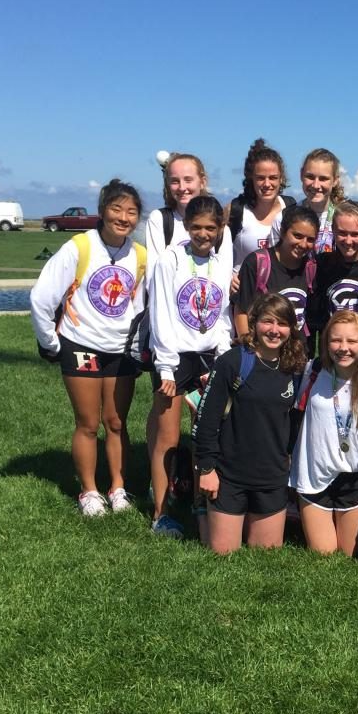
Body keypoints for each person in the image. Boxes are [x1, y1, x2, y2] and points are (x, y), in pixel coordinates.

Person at [29, 179, 148, 517]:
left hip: (121, 350)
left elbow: (139, 305)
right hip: (81, 345)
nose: (123, 218)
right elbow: (41, 297)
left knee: (116, 422)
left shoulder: (139, 255)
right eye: (116, 209)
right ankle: (89, 491)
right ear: (102, 211)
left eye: (131, 212)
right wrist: (51, 343)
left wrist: (138, 348)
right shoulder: (79, 247)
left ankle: (118, 487)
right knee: (88, 423)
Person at [145, 194, 234, 538]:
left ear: (220, 228)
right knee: (168, 438)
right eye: (196, 227)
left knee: (205, 435)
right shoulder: (170, 260)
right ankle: (160, 513)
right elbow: (162, 314)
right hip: (174, 358)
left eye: (210, 227)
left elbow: (223, 314)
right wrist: (166, 368)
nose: (203, 234)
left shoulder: (221, 262)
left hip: (209, 356)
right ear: (185, 226)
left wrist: (223, 358)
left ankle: (201, 503)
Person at [193, 294, 307, 554]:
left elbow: (294, 421)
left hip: (271, 476)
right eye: (268, 322)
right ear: (254, 324)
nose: (274, 330)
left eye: (282, 324)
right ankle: (201, 510)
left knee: (265, 556)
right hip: (229, 475)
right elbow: (206, 419)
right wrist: (207, 468)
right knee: (222, 555)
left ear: (291, 329)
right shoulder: (233, 361)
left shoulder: (294, 368)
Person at [291, 311, 358, 556]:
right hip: (314, 476)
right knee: (325, 556)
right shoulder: (313, 371)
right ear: (325, 341)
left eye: (352, 341)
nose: (343, 348)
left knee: (347, 555)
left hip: (355, 475)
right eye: (335, 340)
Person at [233, 204, 319, 342]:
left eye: (310, 239)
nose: (303, 244)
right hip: (263, 351)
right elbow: (241, 310)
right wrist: (247, 348)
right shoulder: (257, 262)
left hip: (298, 353)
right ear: (283, 231)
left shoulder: (311, 267)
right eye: (297, 236)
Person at [146, 153, 232, 274]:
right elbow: (153, 273)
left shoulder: (222, 230)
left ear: (202, 182)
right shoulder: (160, 220)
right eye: (175, 181)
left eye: (188, 180)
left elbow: (224, 277)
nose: (182, 187)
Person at [311, 199, 358, 336]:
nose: (348, 241)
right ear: (333, 230)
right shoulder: (320, 265)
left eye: (355, 234)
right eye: (342, 233)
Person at [229, 137, 291, 266]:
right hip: (243, 285)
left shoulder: (290, 207)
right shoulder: (236, 210)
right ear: (251, 178)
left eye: (273, 178)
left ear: (281, 179)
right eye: (261, 178)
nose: (267, 184)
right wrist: (229, 275)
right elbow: (215, 251)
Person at [298, 148, 345, 254]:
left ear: (335, 180)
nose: (315, 185)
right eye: (310, 177)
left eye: (323, 179)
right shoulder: (285, 218)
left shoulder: (347, 219)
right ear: (301, 175)